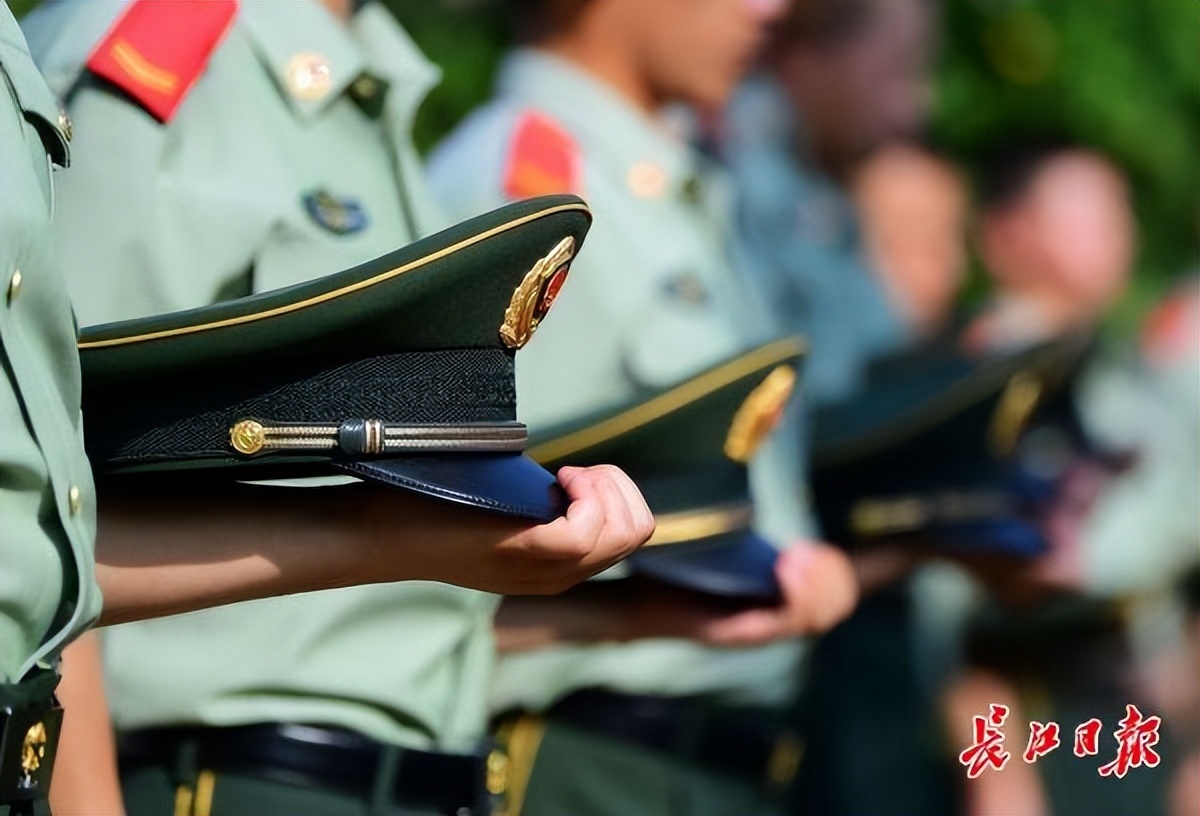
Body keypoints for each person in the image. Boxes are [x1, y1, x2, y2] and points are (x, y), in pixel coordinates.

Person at [17, 2, 652, 814]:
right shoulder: (160, 52)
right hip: (233, 779)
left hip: (427, 772)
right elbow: (46, 509)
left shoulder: (365, 76)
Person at [428, 1, 858, 813]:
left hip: (710, 761)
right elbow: (441, 560)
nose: (770, 9)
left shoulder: (671, 186)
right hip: (584, 761)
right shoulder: (526, 185)